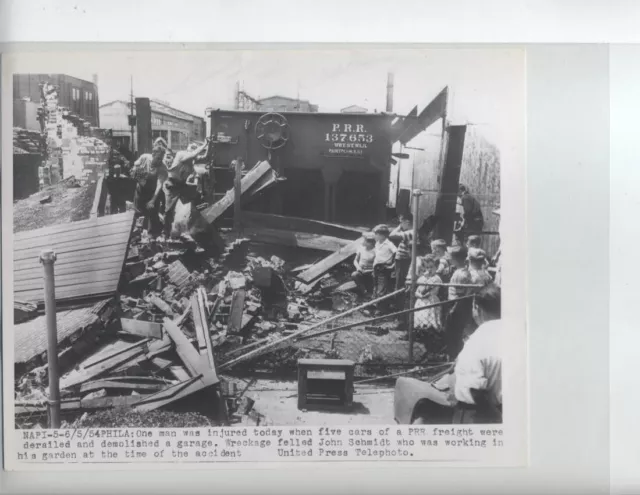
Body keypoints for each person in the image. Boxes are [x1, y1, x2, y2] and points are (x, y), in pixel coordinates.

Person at [452, 283, 502, 424]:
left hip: (480, 416)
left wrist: (498, 419)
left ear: (477, 308)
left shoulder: (475, 343)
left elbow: (475, 390)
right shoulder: (521, 333)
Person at [162, 139, 210, 238]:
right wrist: (204, 144)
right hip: (172, 185)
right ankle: (165, 234)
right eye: (192, 148)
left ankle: (193, 227)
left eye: (195, 148)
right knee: (169, 210)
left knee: (197, 198)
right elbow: (192, 155)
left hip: (182, 185)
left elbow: (205, 157)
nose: (193, 149)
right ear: (188, 149)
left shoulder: (192, 159)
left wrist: (209, 145)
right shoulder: (181, 154)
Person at [444, 246, 475, 359]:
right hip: (459, 305)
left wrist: (453, 310)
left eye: (450, 257)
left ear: (455, 259)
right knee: (455, 333)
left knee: (453, 333)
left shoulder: (460, 275)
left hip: (457, 306)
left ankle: (454, 357)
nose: (449, 259)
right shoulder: (463, 271)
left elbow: (460, 295)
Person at [131, 145, 167, 237]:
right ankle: (136, 234)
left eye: (161, 159)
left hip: (153, 192)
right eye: (158, 158)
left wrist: (152, 200)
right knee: (138, 213)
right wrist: (137, 173)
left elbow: (159, 185)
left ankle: (152, 237)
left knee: (152, 215)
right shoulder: (145, 157)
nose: (160, 161)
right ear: (153, 154)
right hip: (140, 190)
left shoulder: (162, 167)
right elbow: (135, 167)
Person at [414, 254, 443, 332]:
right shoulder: (422, 278)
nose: (429, 269)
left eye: (431, 267)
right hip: (421, 301)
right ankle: (420, 332)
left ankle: (431, 332)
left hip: (431, 300)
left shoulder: (436, 278)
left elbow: (432, 291)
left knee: (430, 318)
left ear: (436, 267)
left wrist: (426, 294)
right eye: (427, 267)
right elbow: (418, 290)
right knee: (421, 317)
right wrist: (418, 294)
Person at [372, 224, 397, 314]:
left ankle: (381, 310)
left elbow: (396, 253)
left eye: (376, 234)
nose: (374, 236)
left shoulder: (389, 244)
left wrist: (392, 265)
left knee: (382, 288)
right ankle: (377, 306)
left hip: (384, 268)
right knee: (376, 287)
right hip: (376, 268)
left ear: (382, 235)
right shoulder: (377, 243)